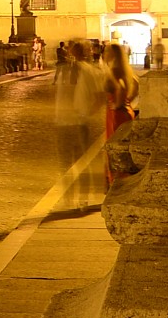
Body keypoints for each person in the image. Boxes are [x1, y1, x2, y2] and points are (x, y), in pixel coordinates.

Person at [51, 39, 106, 214]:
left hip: (78, 122)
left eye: (74, 50)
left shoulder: (89, 72)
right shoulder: (63, 70)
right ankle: (69, 199)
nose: (70, 53)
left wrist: (87, 112)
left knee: (80, 164)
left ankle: (81, 198)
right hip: (63, 122)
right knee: (67, 164)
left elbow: (100, 97)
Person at [101, 43, 140, 185]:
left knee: (114, 147)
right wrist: (127, 101)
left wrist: (117, 102)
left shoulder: (114, 71)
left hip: (116, 114)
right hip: (125, 111)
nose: (104, 53)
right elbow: (136, 86)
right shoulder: (124, 70)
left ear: (112, 55)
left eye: (107, 52)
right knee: (121, 146)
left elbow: (120, 86)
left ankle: (116, 181)